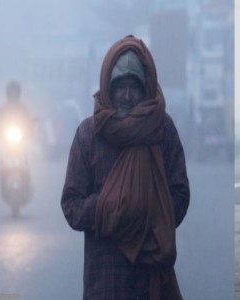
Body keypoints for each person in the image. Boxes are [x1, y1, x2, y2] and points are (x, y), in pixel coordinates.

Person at [61, 35, 190, 299]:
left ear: (147, 88)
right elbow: (71, 206)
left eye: (135, 86)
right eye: (121, 86)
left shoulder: (162, 130)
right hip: (104, 280)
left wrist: (149, 219)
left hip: (150, 274)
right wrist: (109, 208)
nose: (128, 95)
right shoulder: (88, 135)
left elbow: (180, 193)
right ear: (108, 87)